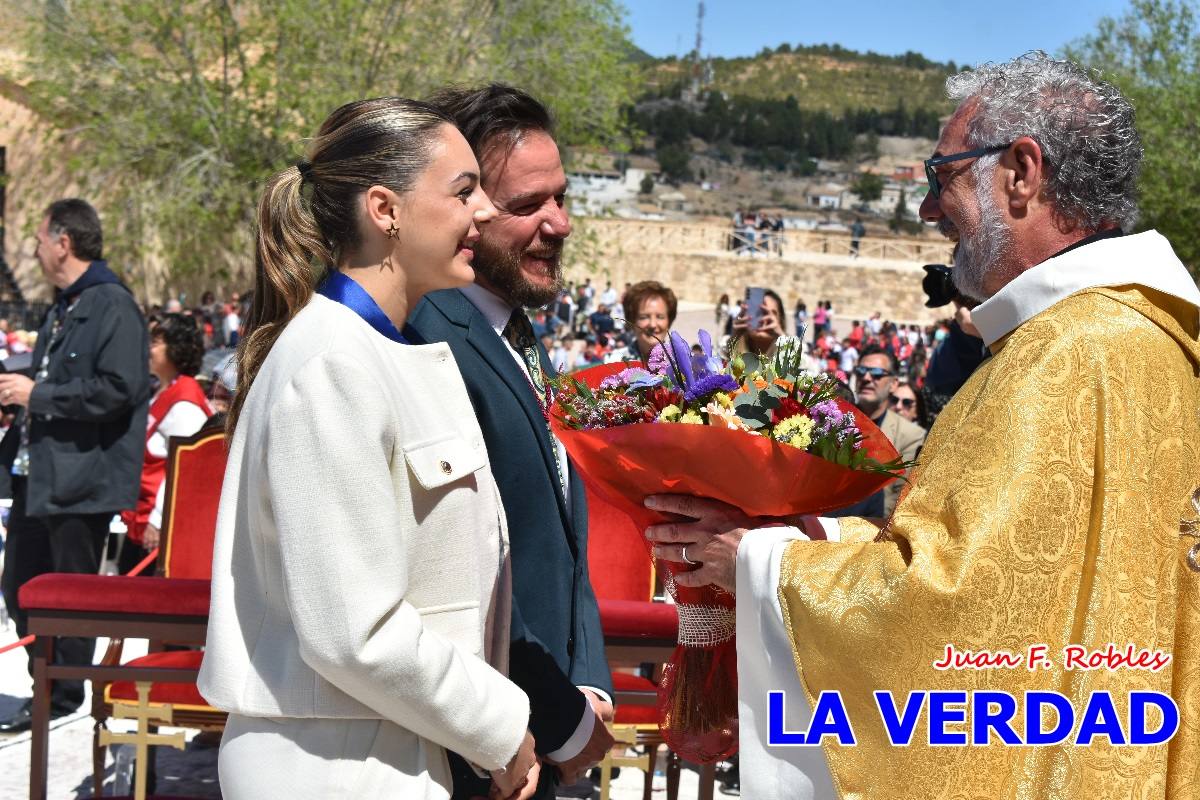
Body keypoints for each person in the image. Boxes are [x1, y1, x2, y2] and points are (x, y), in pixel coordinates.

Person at [645, 52, 1200, 798]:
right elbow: (1021, 582)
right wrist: (812, 535)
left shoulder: (1063, 357)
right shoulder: (1141, 337)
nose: (927, 210)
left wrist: (753, 558)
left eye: (943, 177)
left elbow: (943, 609)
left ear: (1022, 173)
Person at [198, 97, 538, 800]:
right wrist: (500, 728)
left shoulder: (375, 353)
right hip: (333, 760)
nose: (483, 212)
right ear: (386, 210)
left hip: (382, 743)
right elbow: (354, 631)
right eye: (463, 191)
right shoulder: (333, 364)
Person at [404, 84, 614, 799]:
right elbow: (455, 569)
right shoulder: (427, 337)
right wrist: (555, 719)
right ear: (468, 207)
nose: (559, 224)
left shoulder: (518, 335)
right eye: (529, 205)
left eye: (562, 197)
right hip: (477, 752)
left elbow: (560, 538)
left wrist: (587, 685)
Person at [0, 199, 150, 732]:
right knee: (20, 586)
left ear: (64, 243)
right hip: (37, 476)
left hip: (80, 481)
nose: (35, 251)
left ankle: (63, 696)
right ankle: (47, 683)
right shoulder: (64, 306)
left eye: (40, 240)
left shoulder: (113, 306)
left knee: (70, 594)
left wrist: (37, 395)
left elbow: (119, 389)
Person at [118, 313, 212, 575]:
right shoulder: (163, 391)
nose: (148, 348)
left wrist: (159, 520)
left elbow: (184, 469)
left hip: (157, 529)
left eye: (156, 342)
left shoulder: (184, 402)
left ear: (176, 347)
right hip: (141, 519)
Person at [609, 280, 677, 363]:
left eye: (660, 317)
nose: (653, 325)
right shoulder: (614, 361)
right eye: (644, 317)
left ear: (669, 320)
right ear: (632, 321)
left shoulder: (681, 363)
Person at [731, 288, 788, 359]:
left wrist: (783, 338)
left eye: (771, 314)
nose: (764, 319)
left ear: (780, 321)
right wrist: (734, 340)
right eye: (758, 313)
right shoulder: (726, 348)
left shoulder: (793, 352)